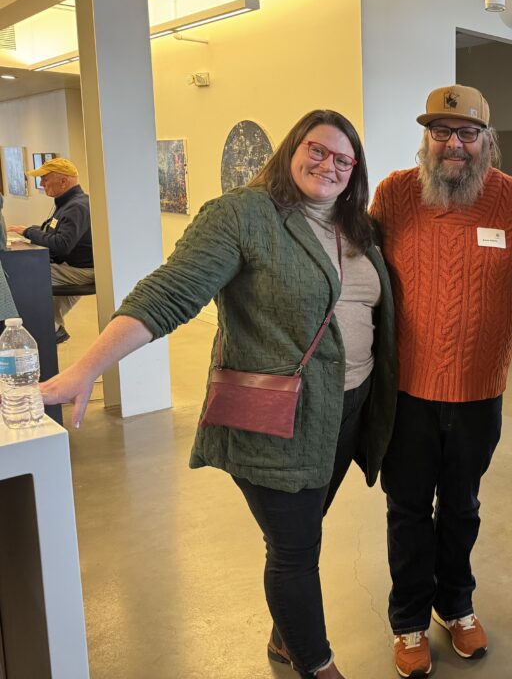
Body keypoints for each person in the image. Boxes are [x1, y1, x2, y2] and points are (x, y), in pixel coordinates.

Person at [40, 110, 397, 679]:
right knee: (295, 547)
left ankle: (286, 638)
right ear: (290, 149)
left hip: (347, 409)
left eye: (344, 159)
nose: (329, 165)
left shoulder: (358, 226)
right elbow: (170, 293)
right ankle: (316, 662)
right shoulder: (243, 215)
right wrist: (86, 368)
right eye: (318, 150)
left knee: (303, 529)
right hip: (277, 417)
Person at [369, 84, 512, 678]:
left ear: (487, 140)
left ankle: (456, 604)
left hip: (478, 391)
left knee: (463, 506)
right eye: (441, 132)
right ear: (426, 139)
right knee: (408, 507)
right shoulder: (393, 195)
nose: (454, 144)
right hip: (407, 391)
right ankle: (409, 620)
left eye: (467, 133)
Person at [7, 157, 93, 343]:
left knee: (18, 276)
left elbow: (62, 245)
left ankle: (51, 329)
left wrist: (28, 232)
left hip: (80, 271)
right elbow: (55, 233)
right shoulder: (68, 204)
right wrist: (32, 230)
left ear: (64, 181)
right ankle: (50, 329)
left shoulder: (77, 206)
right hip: (70, 266)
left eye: (45, 178)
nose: (41, 183)